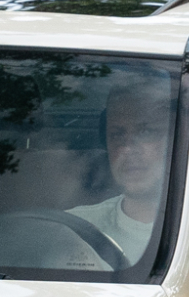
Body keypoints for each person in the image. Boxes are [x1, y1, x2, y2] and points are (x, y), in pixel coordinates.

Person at [69, 83, 174, 263]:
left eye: (146, 132)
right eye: (117, 135)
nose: (128, 149)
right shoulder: (73, 229)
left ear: (175, 140)